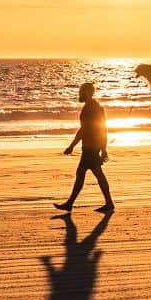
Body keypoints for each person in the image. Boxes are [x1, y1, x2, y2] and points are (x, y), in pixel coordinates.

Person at [54, 83, 114, 213]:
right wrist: (103, 148)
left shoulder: (90, 108)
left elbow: (84, 130)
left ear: (87, 92)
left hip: (90, 146)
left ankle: (108, 203)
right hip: (93, 146)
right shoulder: (96, 106)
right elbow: (103, 128)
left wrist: (71, 146)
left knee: (91, 174)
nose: (79, 93)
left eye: (81, 91)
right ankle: (71, 203)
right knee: (86, 174)